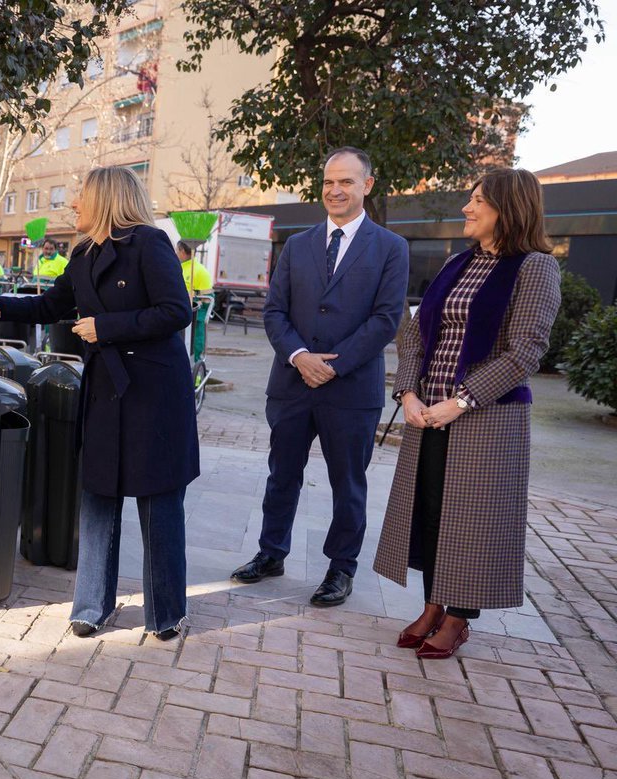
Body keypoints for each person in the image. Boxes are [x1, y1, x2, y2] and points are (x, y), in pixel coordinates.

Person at [0, 166, 197, 640]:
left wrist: (107, 327)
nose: (74, 203)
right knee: (98, 494)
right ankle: (91, 606)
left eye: (80, 195)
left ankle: (166, 611)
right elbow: (47, 306)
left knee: (158, 500)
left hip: (153, 394)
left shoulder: (148, 242)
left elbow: (176, 311)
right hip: (105, 391)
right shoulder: (83, 254)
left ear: (104, 198)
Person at [374, 169, 561, 659]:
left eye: (477, 200)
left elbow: (526, 351)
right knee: (433, 512)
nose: (466, 208)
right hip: (427, 413)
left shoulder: (536, 267)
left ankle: (458, 618)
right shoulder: (458, 263)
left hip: (485, 418)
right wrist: (408, 395)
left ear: (508, 207)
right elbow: (414, 333)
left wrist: (459, 402)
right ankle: (434, 604)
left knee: (472, 523)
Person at [231, 147, 408, 606]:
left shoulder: (391, 248)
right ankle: (271, 553)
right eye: (329, 181)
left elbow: (386, 320)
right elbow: (275, 311)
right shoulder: (297, 244)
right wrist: (299, 356)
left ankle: (340, 568)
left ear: (368, 185)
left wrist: (330, 364)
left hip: (350, 390)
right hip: (292, 384)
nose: (335, 190)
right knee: (281, 475)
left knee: (347, 483)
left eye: (346, 182)